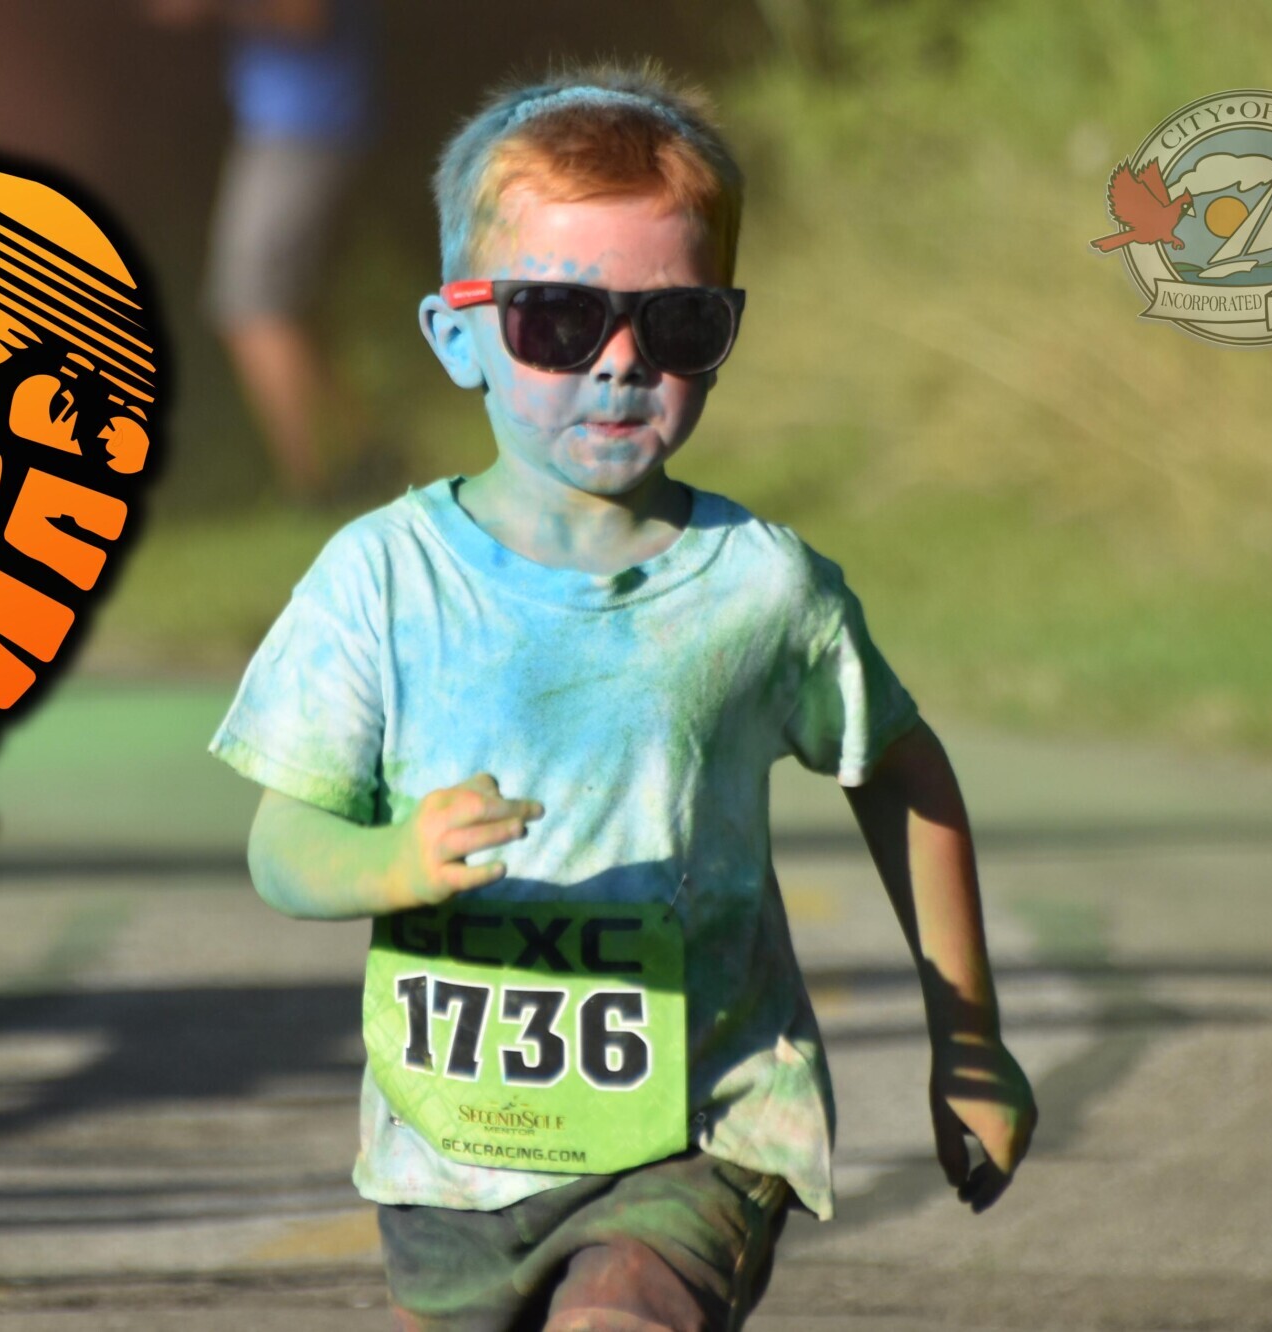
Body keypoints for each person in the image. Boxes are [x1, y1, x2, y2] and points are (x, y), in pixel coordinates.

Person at [208, 61, 1037, 1330]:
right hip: (451, 1160)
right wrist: (393, 859)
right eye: (557, 320)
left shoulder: (760, 590)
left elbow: (902, 771)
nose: (620, 364)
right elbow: (281, 849)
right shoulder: (378, 580)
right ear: (456, 337)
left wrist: (966, 1039)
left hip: (704, 1128)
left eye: (677, 327)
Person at [150, 0, 372, 501]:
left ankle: (312, 484)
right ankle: (365, 455)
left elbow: (304, 17)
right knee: (288, 308)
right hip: (293, 125)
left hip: (304, 125)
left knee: (249, 306)